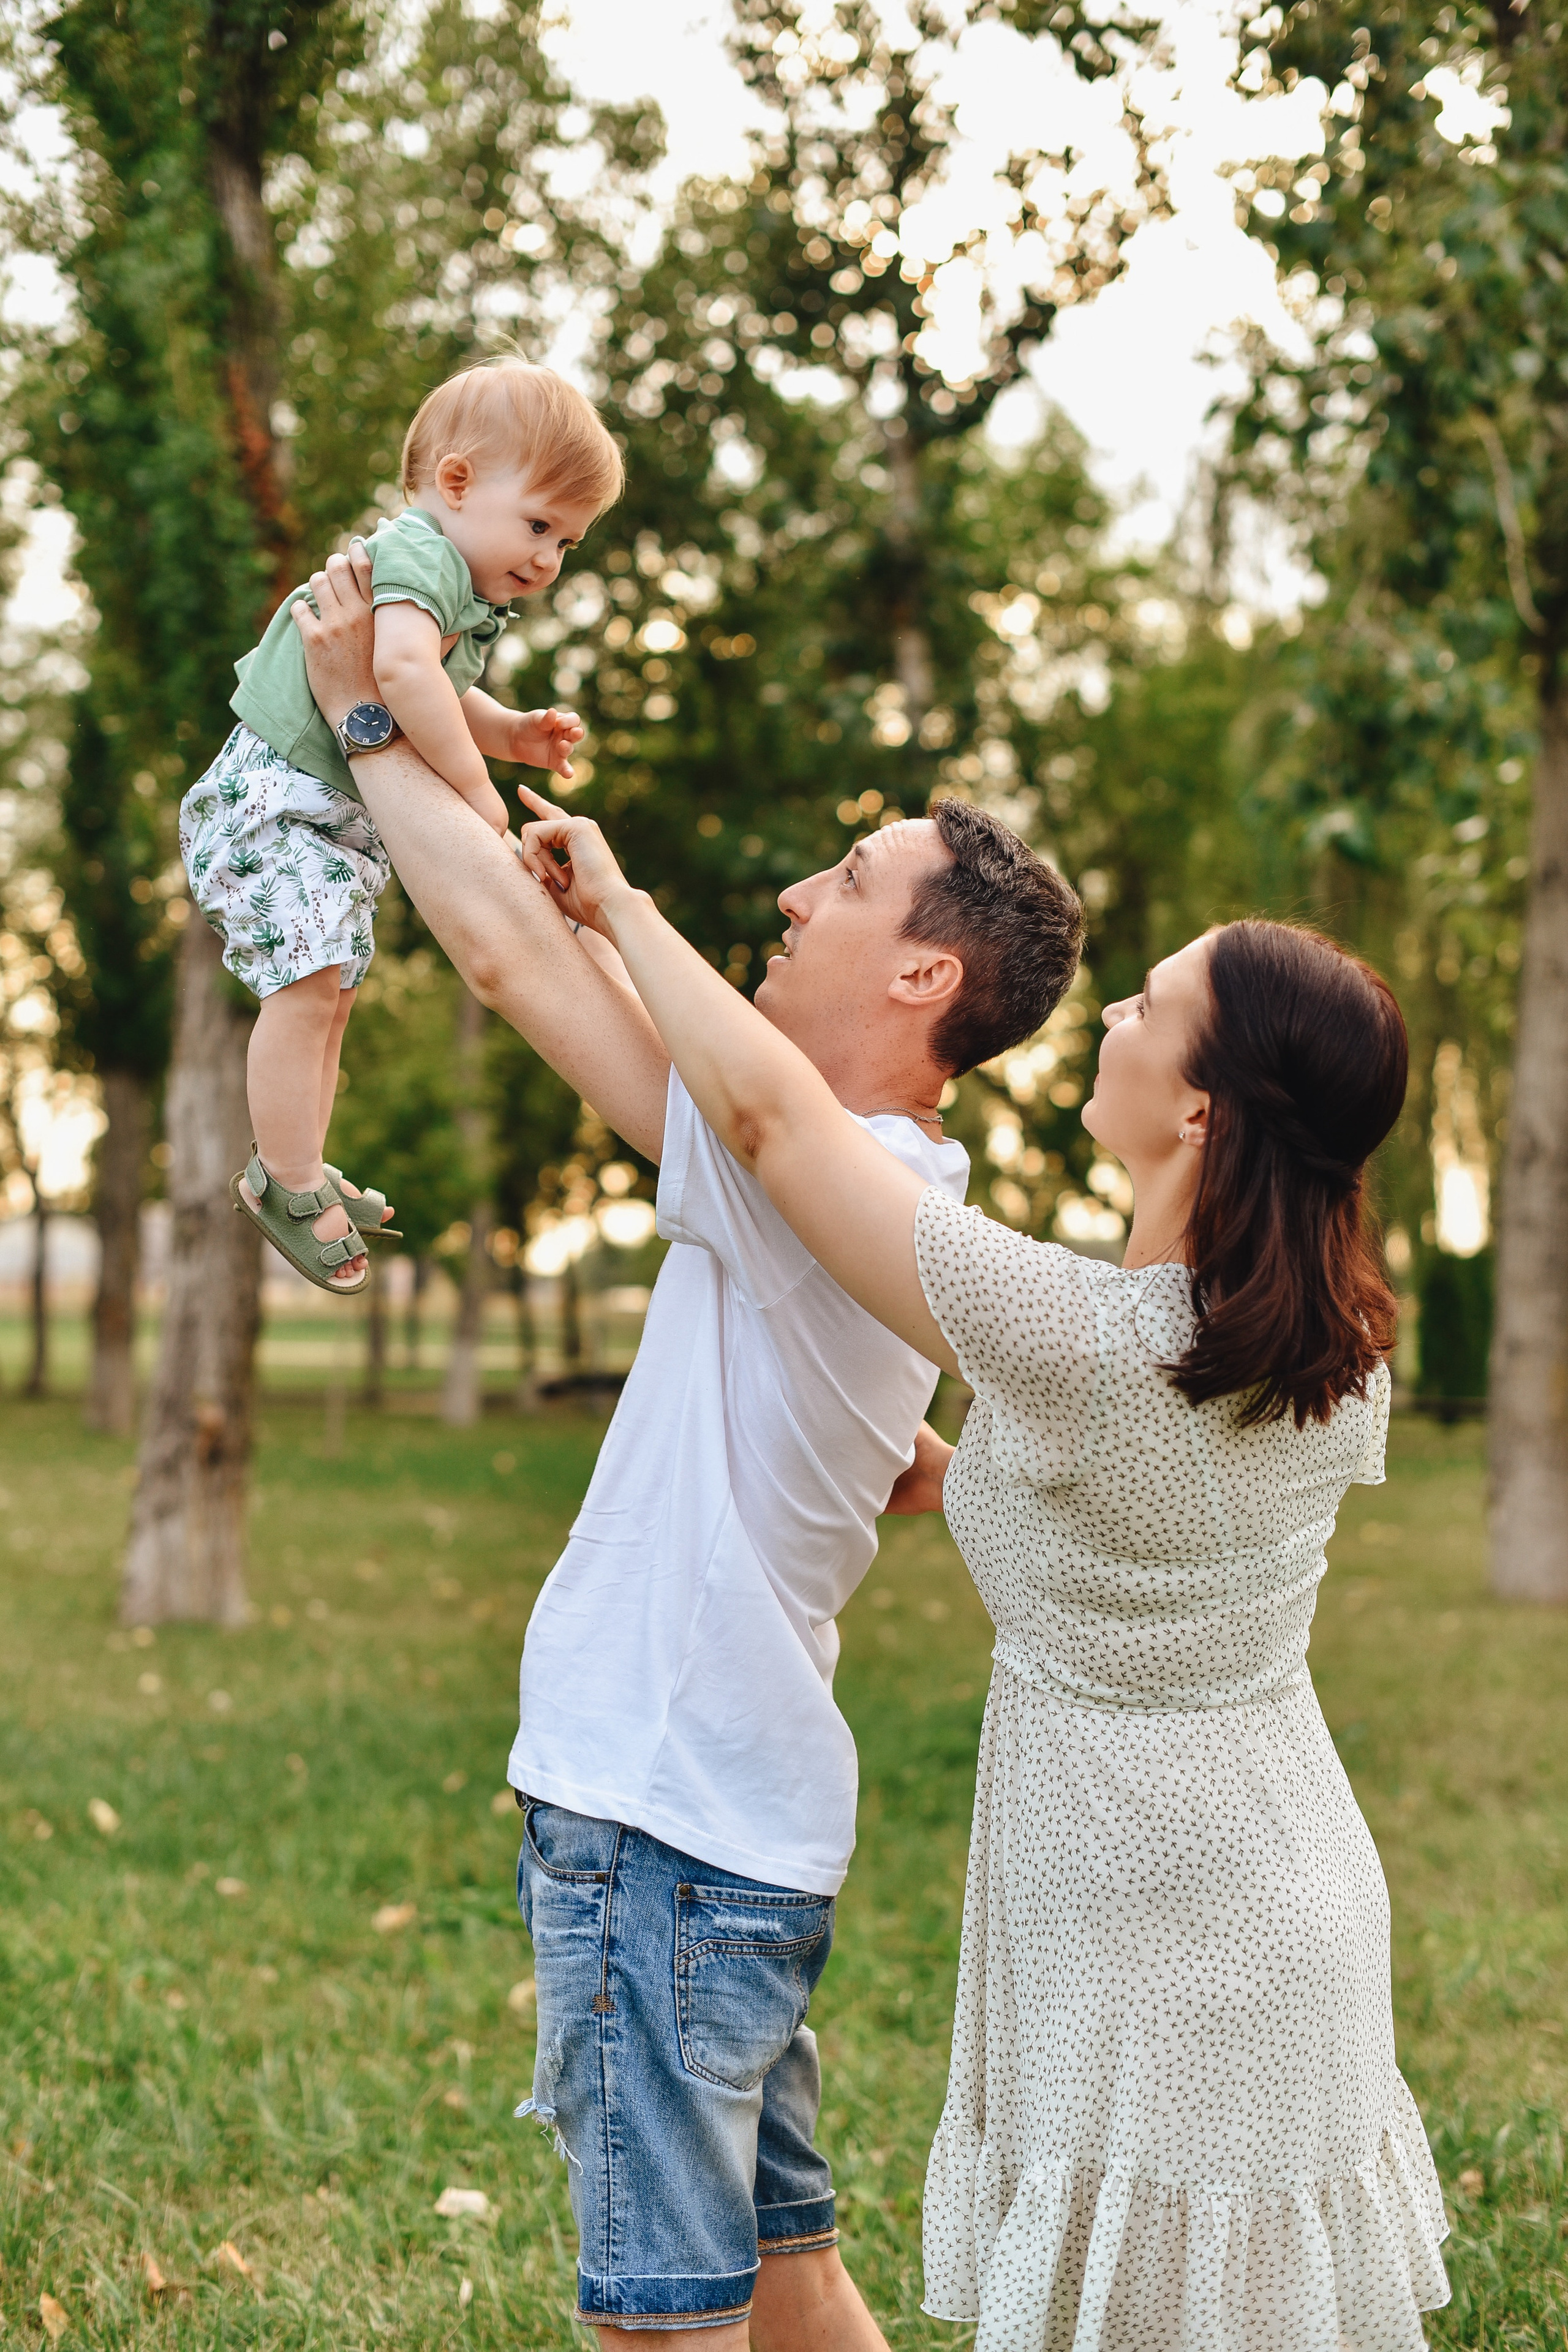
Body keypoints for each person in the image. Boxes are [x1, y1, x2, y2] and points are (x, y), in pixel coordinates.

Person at [511, 802, 1455, 2351]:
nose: (1119, 1016)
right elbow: (1157, 1546)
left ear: (1203, 1111)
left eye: (1154, 1006)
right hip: (1282, 1900)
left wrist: (614, 902)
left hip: (1158, 1930)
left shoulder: (1078, 1338)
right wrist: (953, 1475)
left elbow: (771, 1128)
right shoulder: (1334, 1360)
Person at [287, 551, 1086, 2348]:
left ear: (927, 975)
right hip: (736, 1828)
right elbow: (540, 945)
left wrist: (364, 725)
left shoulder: (836, 1175)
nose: (801, 895)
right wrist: (415, 746)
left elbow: (513, 956)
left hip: (665, 1828)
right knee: (787, 2281)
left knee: (663, 2322)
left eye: (853, 882)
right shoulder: (878, 1193)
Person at [179, 358, 620, 1295]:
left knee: (330, 988)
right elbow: (410, 678)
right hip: (271, 804)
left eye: (568, 543)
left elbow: (447, 688)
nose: (547, 559)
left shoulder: (457, 584)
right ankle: (287, 1180)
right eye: (539, 524)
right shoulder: (420, 551)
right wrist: (480, 792)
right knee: (306, 986)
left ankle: (295, 1157)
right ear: (456, 483)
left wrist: (511, 734)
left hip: (317, 816)